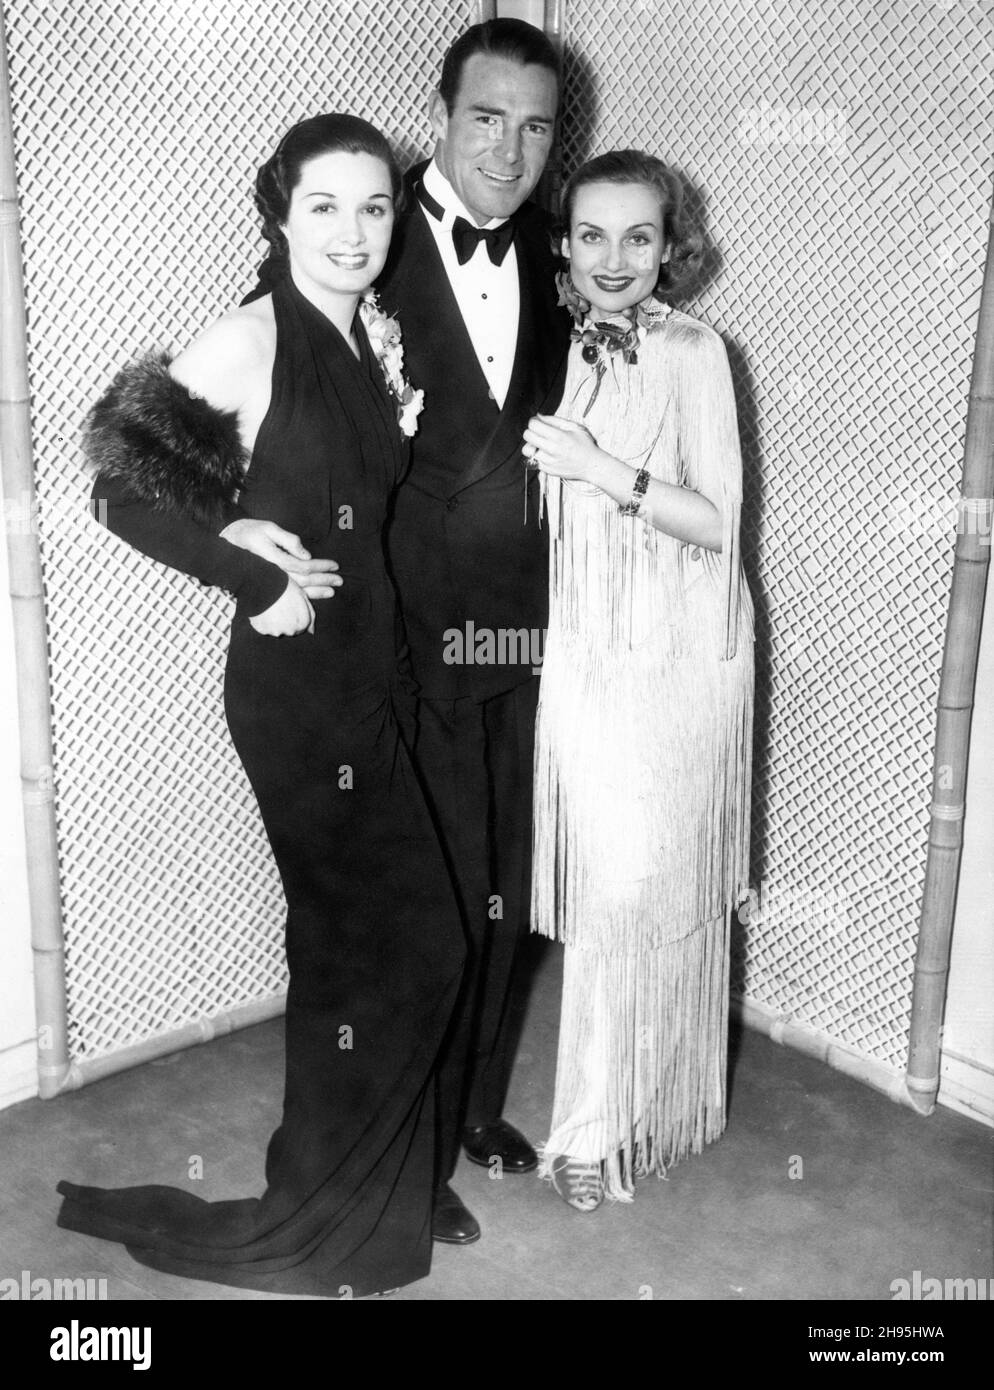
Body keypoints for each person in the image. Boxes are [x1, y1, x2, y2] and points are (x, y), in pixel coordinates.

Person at [55, 114, 466, 1297]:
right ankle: (325, 1214)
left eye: (375, 207)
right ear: (279, 217)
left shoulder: (364, 335)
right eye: (324, 207)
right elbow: (116, 496)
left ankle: (344, 1196)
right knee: (381, 944)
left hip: (373, 680)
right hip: (302, 701)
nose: (353, 231)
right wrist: (252, 573)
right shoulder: (252, 337)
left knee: (391, 946)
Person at [523, 150, 754, 1209]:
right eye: (591, 234)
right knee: (610, 893)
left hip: (678, 656)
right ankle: (612, 1113)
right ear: (563, 242)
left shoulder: (698, 351)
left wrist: (605, 473)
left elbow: (718, 525)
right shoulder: (549, 348)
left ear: (672, 246)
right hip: (585, 658)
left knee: (650, 892)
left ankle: (602, 1125)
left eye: (638, 237)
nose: (613, 259)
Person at [376, 16, 571, 1245]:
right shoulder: (364, 224)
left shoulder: (565, 253)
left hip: (518, 633)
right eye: (486, 117)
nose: (509, 149)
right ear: (441, 111)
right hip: (399, 636)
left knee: (507, 887)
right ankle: (402, 1135)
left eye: (536, 124)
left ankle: (471, 1110)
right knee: (422, 902)